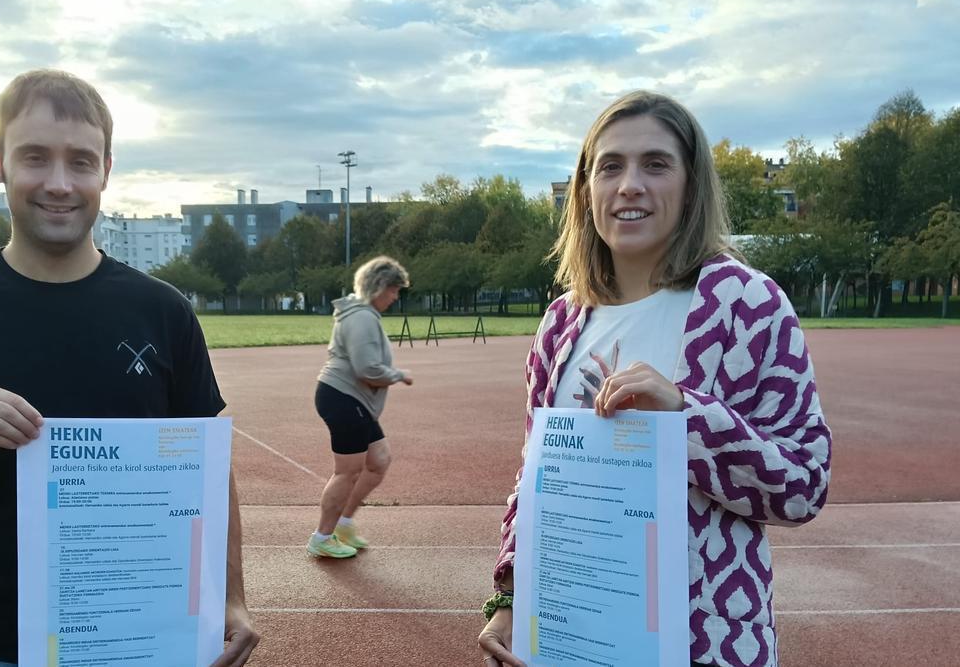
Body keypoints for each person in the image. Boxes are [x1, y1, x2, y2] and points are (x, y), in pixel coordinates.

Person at [0, 69, 259, 666]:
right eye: (34, 157)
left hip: (141, 643)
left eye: (80, 161)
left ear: (106, 170)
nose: (58, 183)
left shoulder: (162, 311)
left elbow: (207, 469)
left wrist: (229, 597)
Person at [477, 91, 832, 667]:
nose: (630, 185)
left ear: (692, 185)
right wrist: (512, 596)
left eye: (656, 164)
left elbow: (804, 485)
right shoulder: (562, 322)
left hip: (705, 644)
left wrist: (684, 419)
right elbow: (536, 481)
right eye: (610, 167)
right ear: (585, 189)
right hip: (573, 638)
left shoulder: (747, 305)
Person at [307, 256, 413, 558]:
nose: (395, 297)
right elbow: (367, 368)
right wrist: (398, 375)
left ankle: (343, 523)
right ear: (379, 286)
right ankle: (322, 537)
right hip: (343, 397)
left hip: (353, 399)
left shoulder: (362, 314)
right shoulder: (361, 317)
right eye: (393, 289)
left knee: (379, 459)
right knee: (347, 471)